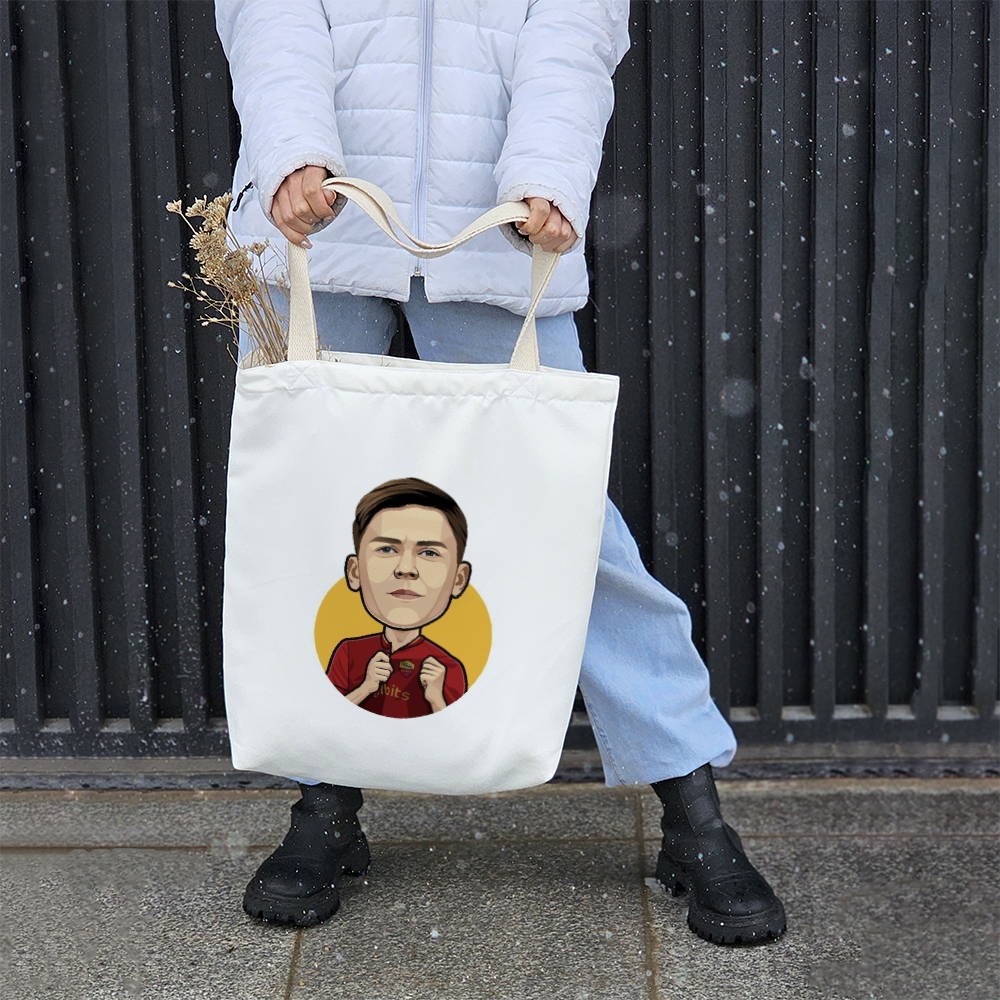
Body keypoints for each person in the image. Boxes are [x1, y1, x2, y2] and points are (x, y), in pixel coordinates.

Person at [217, 0, 786, 944]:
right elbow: (272, 15)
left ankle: (693, 814)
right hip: (315, 230)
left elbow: (573, 27)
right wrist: (291, 152)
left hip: (495, 234)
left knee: (570, 531)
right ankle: (323, 804)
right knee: (312, 528)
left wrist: (548, 174)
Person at [327, 478, 471, 717]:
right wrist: (366, 687)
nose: (406, 569)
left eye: (429, 552)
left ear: (458, 580)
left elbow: (456, 728)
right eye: (386, 549)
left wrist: (436, 697)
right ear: (354, 572)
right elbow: (327, 715)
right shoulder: (349, 652)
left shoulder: (448, 668)